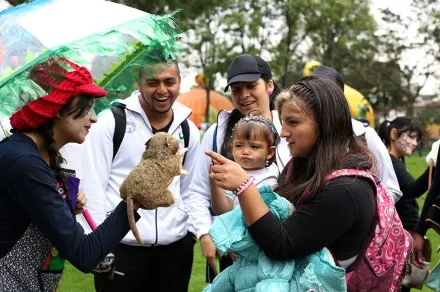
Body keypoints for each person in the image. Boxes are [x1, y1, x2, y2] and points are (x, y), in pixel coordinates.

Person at [207, 75, 377, 273]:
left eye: (293, 122)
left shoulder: (347, 189)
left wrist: (245, 187)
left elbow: (280, 245)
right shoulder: (300, 165)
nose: (284, 132)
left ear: (325, 123)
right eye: (282, 122)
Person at [0, 57, 141, 291]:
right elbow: (84, 254)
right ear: (56, 106)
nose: (93, 117)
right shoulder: (24, 163)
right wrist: (134, 202)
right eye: (86, 106)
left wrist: (64, 207)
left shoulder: (35, 156)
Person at [81, 60, 200, 292]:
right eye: (152, 82)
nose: (162, 90)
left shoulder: (189, 129)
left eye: (169, 82)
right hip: (121, 249)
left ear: (179, 83)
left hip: (175, 252)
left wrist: (191, 235)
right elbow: (94, 185)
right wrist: (99, 246)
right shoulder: (112, 122)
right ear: (139, 82)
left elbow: (191, 188)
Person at [188, 54, 292, 282]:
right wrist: (205, 233)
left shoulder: (289, 129)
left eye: (251, 86)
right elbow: (196, 191)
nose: (244, 95)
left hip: (283, 246)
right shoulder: (217, 134)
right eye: (236, 89)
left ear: (270, 86)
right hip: (233, 251)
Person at [311, 65, 403, 202]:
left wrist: (362, 211)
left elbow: (391, 189)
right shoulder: (304, 136)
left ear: (340, 98)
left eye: (326, 95)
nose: (320, 102)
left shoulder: (364, 135)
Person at [378, 117, 431, 291]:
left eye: (417, 139)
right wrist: (435, 165)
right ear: (394, 134)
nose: (415, 143)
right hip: (402, 235)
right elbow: (413, 189)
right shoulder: (392, 163)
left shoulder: (395, 163)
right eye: (411, 136)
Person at [210, 113, 280, 215]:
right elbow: (223, 211)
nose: (245, 151)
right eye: (239, 146)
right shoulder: (231, 173)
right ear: (232, 148)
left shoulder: (275, 171)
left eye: (254, 147)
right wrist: (214, 186)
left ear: (270, 152)